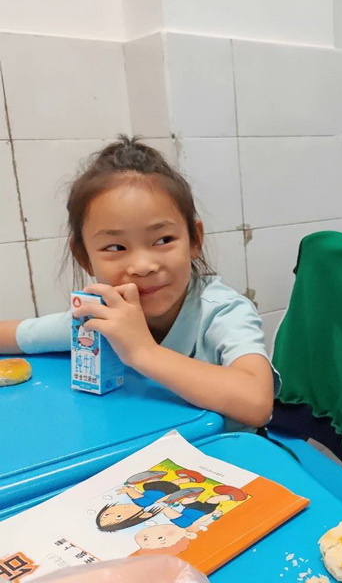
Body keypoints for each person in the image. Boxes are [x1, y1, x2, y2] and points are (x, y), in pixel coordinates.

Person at [0, 137, 275, 430]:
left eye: (163, 240)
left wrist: (143, 352)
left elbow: (257, 403)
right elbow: (18, 335)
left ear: (194, 240)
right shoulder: (101, 317)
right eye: (115, 247)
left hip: (224, 451)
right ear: (84, 257)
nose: (143, 266)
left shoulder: (222, 311)